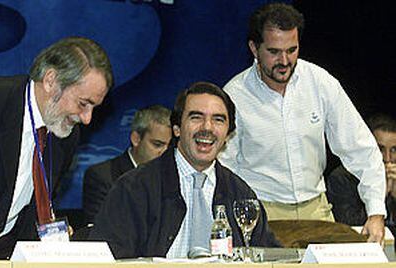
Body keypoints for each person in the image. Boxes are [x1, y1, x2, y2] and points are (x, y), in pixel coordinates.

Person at [218, 2, 386, 244]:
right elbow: (224, 167)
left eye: (292, 50)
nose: (285, 60)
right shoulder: (235, 95)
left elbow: (360, 148)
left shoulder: (321, 83)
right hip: (262, 212)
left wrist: (376, 212)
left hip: (316, 209)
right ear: (254, 48)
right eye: (274, 51)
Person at [89, 81, 280, 259]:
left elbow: (268, 256)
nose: (207, 128)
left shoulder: (240, 195)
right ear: (177, 129)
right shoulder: (134, 188)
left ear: (228, 135)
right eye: (196, 117)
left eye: (218, 120)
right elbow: (108, 258)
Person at [0, 36, 113, 259]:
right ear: (51, 80)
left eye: (94, 107)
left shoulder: (65, 136)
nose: (87, 118)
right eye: (83, 103)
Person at [83, 105, 172, 223]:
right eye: (157, 144)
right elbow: (98, 231)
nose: (164, 153)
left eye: (169, 146)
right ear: (136, 139)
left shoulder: (172, 178)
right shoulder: (103, 177)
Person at [326, 113, 396, 235]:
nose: (387, 158)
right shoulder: (342, 178)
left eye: (394, 150)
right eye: (380, 149)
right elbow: (349, 229)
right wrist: (379, 196)